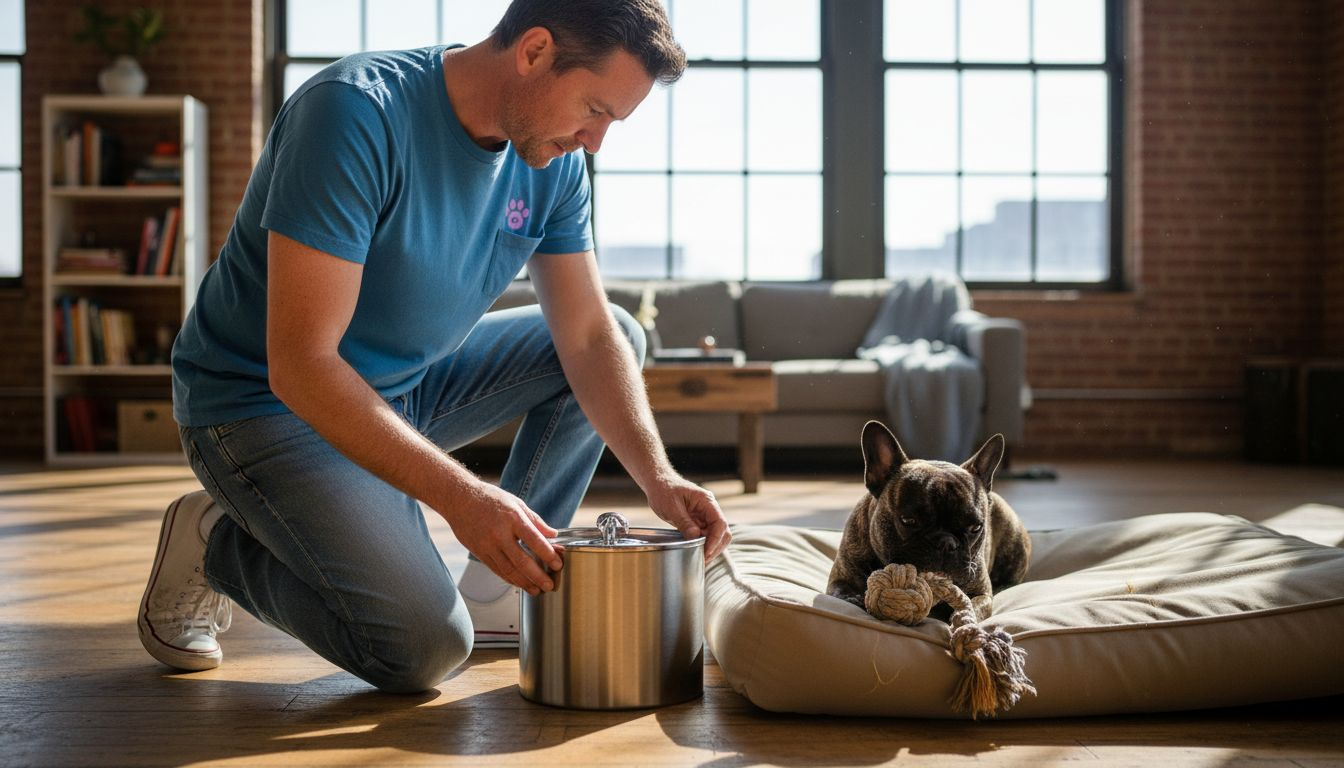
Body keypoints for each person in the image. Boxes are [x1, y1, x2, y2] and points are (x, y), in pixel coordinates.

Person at [137, 0, 731, 693]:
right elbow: (301, 366)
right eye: (594, 110)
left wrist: (659, 478)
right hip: (262, 406)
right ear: (534, 51)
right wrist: (465, 498)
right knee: (422, 648)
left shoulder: (553, 160)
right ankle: (216, 546)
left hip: (405, 390)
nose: (594, 142)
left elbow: (588, 336)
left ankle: (500, 587)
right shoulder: (353, 114)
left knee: (619, 333)